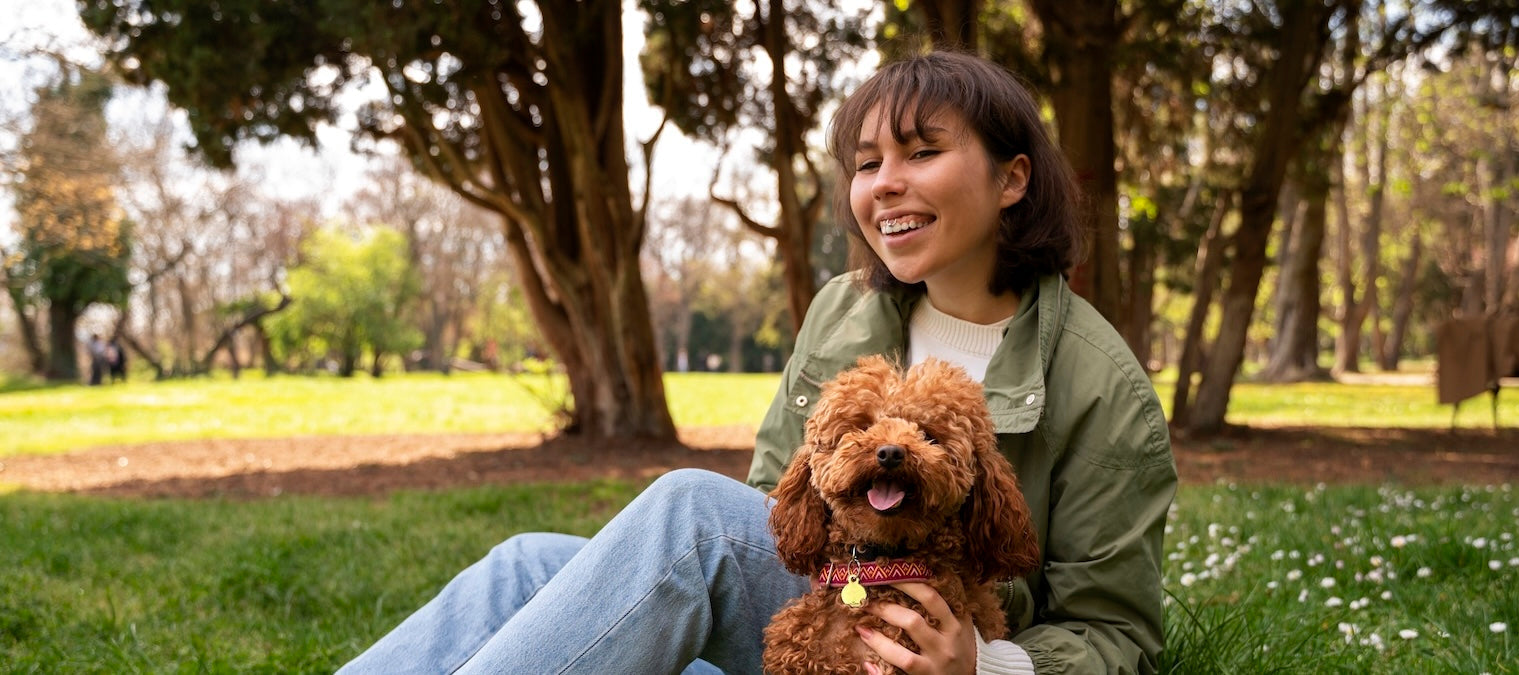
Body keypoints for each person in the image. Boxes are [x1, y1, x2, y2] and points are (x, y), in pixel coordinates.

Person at [340, 50, 1175, 675]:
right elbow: (773, 513)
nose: (884, 184)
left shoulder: (1100, 382)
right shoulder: (845, 309)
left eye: (921, 153)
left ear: (1011, 179)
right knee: (528, 560)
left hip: (934, 643)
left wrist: (980, 664)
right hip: (825, 604)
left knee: (690, 517)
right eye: (865, 164)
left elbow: (1118, 633)